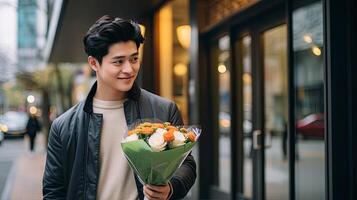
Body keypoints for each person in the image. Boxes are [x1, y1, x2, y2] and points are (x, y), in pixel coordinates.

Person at [42, 15, 196, 200]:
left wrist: (171, 188)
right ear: (93, 63)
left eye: (134, 59)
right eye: (118, 61)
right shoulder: (64, 126)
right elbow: (54, 191)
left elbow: (187, 164)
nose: (129, 69)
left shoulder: (164, 109)